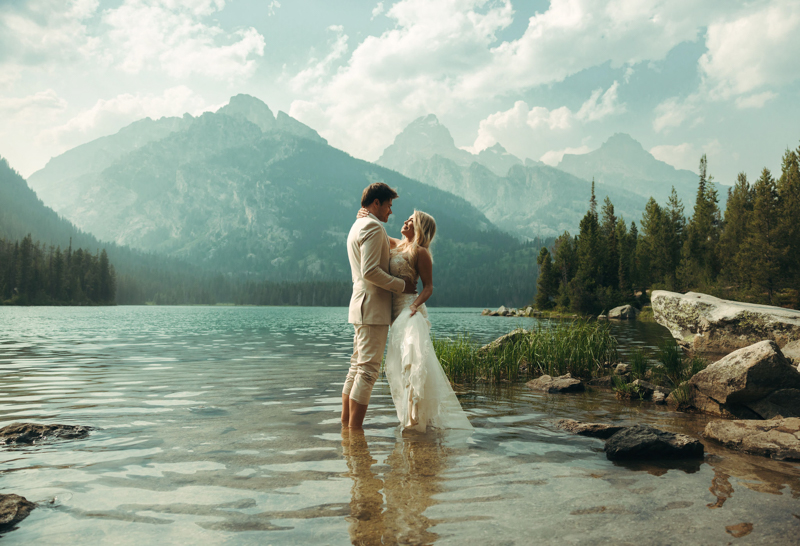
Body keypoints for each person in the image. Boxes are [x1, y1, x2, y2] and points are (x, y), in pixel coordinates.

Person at [357, 208, 472, 433]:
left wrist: (414, 306)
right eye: (407, 219)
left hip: (410, 314)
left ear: (420, 228)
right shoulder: (398, 245)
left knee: (413, 363)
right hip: (394, 314)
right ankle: (410, 419)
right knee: (400, 366)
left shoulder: (421, 252)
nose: (405, 222)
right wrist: (367, 215)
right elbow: (379, 233)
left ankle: (417, 420)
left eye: (411, 220)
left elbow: (428, 287)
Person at [342, 183, 416, 430]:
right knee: (368, 371)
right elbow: (370, 270)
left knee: (356, 368)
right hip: (372, 308)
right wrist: (401, 286)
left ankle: (347, 429)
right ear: (376, 203)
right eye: (389, 205)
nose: (391, 212)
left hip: (360, 306)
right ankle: (354, 432)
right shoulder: (373, 227)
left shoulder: (358, 225)